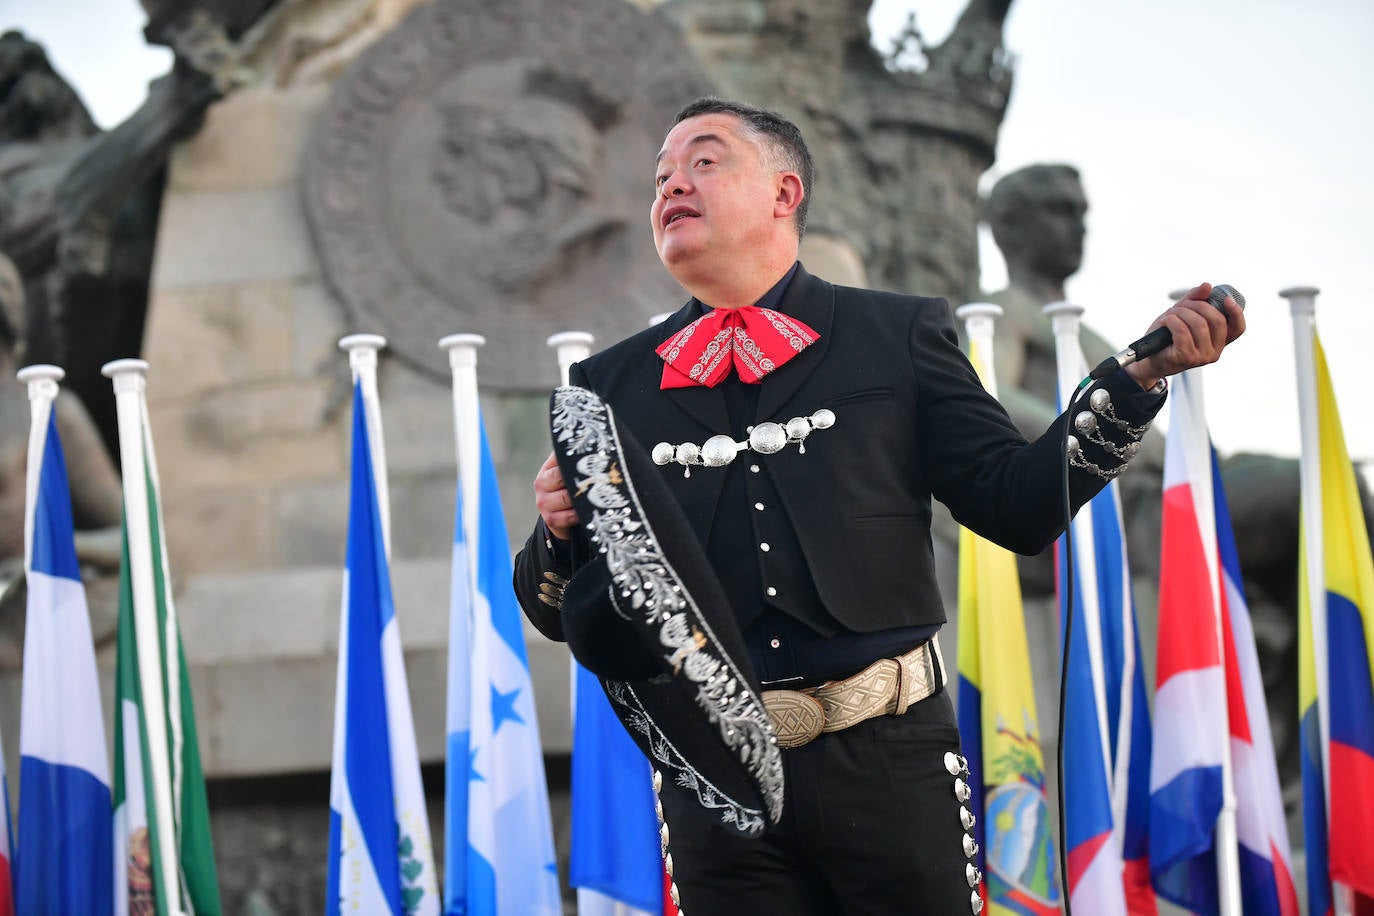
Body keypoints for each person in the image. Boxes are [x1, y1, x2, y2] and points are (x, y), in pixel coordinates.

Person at [513, 97, 1244, 914]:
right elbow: (566, 610)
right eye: (659, 177)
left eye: (703, 162)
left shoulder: (896, 333)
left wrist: (1132, 381)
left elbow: (1014, 504)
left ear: (784, 193)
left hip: (893, 764)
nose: (671, 185)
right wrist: (557, 531)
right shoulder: (608, 388)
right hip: (717, 785)